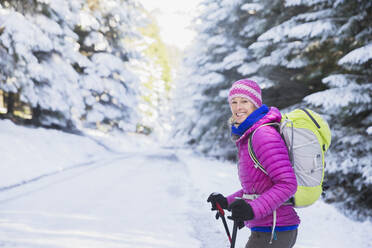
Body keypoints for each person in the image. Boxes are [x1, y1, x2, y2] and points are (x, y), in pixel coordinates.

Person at [207, 79, 300, 248]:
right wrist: (227, 202)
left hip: (274, 231)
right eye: (234, 102)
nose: (238, 107)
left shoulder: (263, 135)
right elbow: (258, 188)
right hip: (269, 229)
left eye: (244, 101)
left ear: (256, 104)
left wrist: (251, 210)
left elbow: (288, 184)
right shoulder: (248, 136)